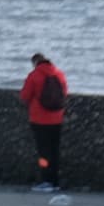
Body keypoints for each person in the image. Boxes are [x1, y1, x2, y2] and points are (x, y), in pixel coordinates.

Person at [21, 52, 70, 197]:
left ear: (35, 63)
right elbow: (64, 92)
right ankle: (55, 182)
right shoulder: (59, 74)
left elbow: (25, 96)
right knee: (54, 151)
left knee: (43, 154)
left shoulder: (34, 76)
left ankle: (45, 181)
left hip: (40, 120)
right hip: (57, 119)